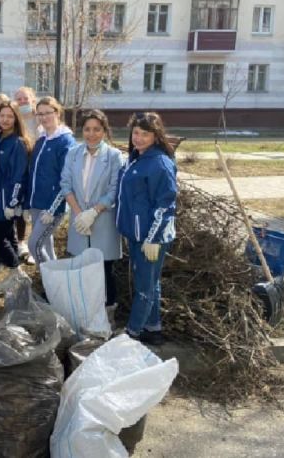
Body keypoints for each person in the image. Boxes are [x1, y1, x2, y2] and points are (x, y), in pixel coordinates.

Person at [116, 112, 177, 346]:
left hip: (151, 238)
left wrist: (152, 238)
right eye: (135, 133)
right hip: (137, 234)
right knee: (151, 282)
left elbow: (165, 205)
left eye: (145, 134)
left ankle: (132, 333)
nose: (138, 138)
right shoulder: (136, 158)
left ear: (156, 135)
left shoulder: (159, 163)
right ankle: (153, 328)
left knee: (144, 286)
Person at [60, 110, 122, 317]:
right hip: (79, 221)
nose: (91, 134)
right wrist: (79, 214)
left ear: (104, 131)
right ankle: (86, 312)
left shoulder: (114, 156)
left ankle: (108, 312)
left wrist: (93, 212)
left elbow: (114, 190)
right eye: (87, 129)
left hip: (102, 221)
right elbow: (65, 184)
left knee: (104, 271)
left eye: (97, 129)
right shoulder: (73, 153)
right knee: (82, 268)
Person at [23, 97, 76, 265]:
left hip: (52, 207)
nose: (44, 117)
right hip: (36, 203)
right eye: (40, 114)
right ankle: (54, 284)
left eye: (48, 113)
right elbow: (33, 173)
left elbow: (66, 179)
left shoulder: (65, 141)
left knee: (34, 245)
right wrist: (26, 204)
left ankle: (50, 280)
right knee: (46, 244)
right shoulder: (41, 139)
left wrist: (53, 209)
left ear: (57, 113)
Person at [0, 101, 31, 281]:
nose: (5, 120)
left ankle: (16, 273)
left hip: (5, 202)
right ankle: (14, 278)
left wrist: (12, 203)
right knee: (9, 236)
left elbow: (18, 177)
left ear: (16, 119)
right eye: (2, 116)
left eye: (9, 116)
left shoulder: (17, 143)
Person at [12, 86, 40, 264]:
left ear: (33, 100)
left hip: (37, 169)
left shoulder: (40, 120)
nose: (23, 102)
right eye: (19, 99)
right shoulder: (15, 119)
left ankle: (35, 246)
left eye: (26, 98)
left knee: (35, 208)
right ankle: (20, 242)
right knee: (20, 207)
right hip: (21, 168)